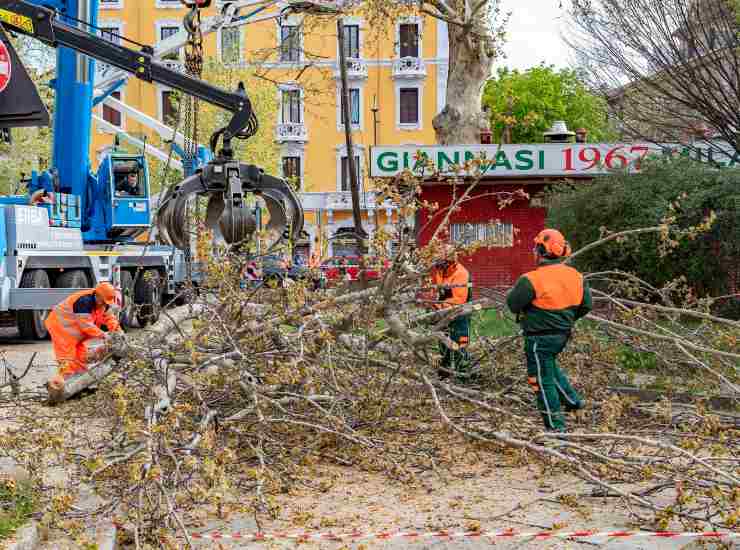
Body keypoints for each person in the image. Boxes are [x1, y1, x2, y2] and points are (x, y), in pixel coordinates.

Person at [506, 229, 592, 433]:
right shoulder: (577, 277)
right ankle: (573, 403)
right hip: (562, 334)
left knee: (540, 380)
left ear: (541, 251)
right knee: (549, 369)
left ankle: (556, 428)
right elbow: (586, 305)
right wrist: (567, 319)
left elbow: (513, 304)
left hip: (538, 338)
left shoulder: (531, 279)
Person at [45, 282, 122, 391]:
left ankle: (79, 386)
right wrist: (104, 335)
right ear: (97, 295)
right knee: (67, 361)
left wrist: (118, 332)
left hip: (76, 335)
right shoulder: (83, 302)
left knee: (81, 360)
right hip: (61, 329)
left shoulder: (104, 304)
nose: (104, 304)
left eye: (106, 303)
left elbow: (110, 319)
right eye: (103, 302)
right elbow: (86, 325)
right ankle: (62, 388)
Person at [429, 244, 473, 381]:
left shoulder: (461, 273)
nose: (439, 267)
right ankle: (444, 373)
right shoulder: (440, 272)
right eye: (438, 264)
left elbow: (458, 300)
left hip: (460, 313)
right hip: (443, 312)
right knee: (443, 342)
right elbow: (438, 291)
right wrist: (434, 304)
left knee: (460, 344)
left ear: (450, 262)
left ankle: (463, 374)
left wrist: (439, 307)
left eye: (442, 264)